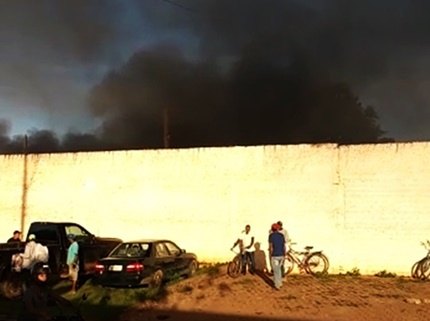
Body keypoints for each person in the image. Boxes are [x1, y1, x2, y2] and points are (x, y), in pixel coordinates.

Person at [269, 223, 286, 290]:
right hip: (281, 255)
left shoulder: (271, 236)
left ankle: (277, 285)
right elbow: (284, 246)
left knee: (276, 270)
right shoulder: (282, 235)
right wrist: (284, 254)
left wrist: (270, 254)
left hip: (275, 255)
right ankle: (280, 283)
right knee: (279, 269)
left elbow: (271, 247)